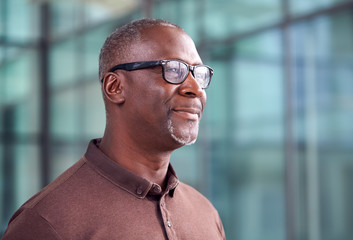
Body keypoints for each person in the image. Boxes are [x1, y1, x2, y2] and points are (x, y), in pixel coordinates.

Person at [1, 18, 225, 240]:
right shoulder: (45, 223)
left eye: (199, 74)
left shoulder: (206, 213)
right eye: (174, 70)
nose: (196, 88)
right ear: (115, 87)